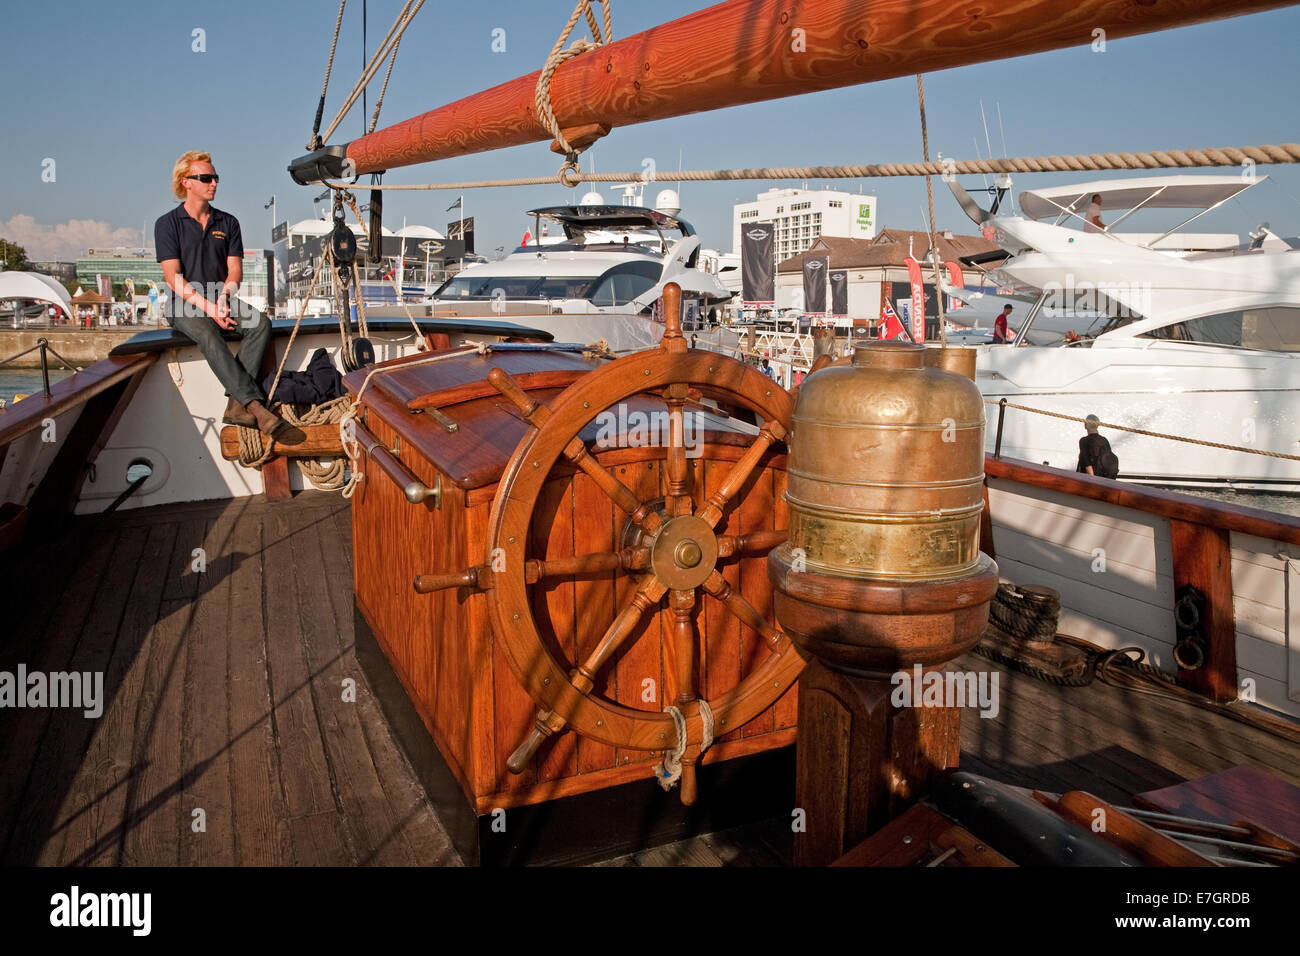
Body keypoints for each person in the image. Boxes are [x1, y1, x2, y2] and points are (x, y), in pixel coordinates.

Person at [155, 150, 287, 436]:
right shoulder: (167, 224)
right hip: (183, 301)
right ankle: (252, 404)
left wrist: (223, 298)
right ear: (186, 182)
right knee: (207, 333)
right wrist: (210, 308)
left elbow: (235, 271)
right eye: (205, 178)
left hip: (219, 295)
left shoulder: (228, 223)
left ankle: (235, 407)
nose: (213, 182)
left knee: (260, 323)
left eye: (215, 177)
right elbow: (173, 278)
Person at [1077, 414, 1119, 478]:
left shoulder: (1084, 441)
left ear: (1085, 425)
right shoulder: (1104, 440)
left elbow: (1087, 463)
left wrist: (1093, 481)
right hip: (1104, 479)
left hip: (1091, 480)